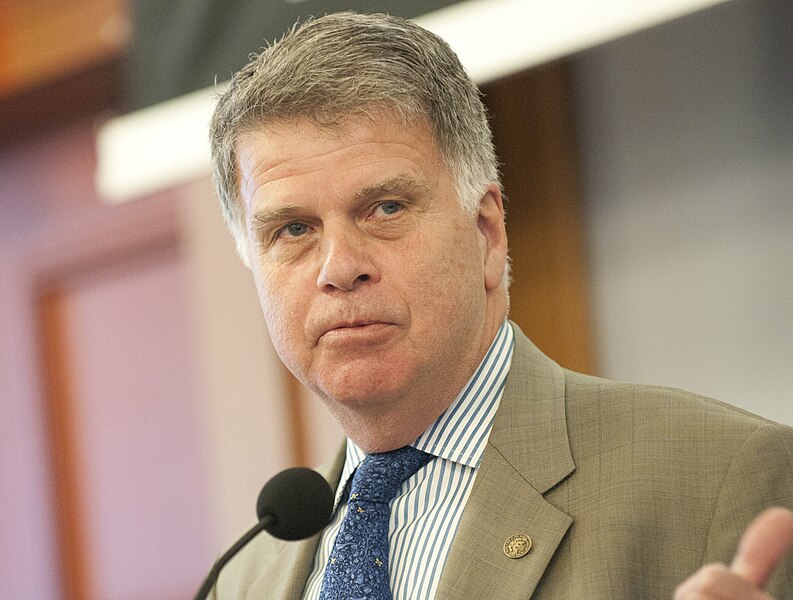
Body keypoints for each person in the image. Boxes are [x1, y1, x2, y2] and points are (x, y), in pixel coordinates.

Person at [205, 11, 793, 600]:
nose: (338, 267)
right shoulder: (244, 579)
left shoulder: (720, 479)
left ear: (486, 232)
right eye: (293, 229)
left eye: (385, 208)